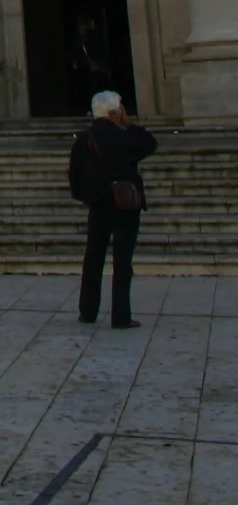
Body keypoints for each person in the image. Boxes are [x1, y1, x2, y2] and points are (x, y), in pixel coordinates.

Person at [70, 88, 157, 328]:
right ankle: (121, 316)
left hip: (98, 205)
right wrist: (129, 123)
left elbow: (74, 179)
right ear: (115, 112)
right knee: (122, 260)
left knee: (94, 257)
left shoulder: (84, 140)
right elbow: (150, 143)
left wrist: (90, 195)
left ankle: (87, 311)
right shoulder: (125, 136)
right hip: (124, 204)